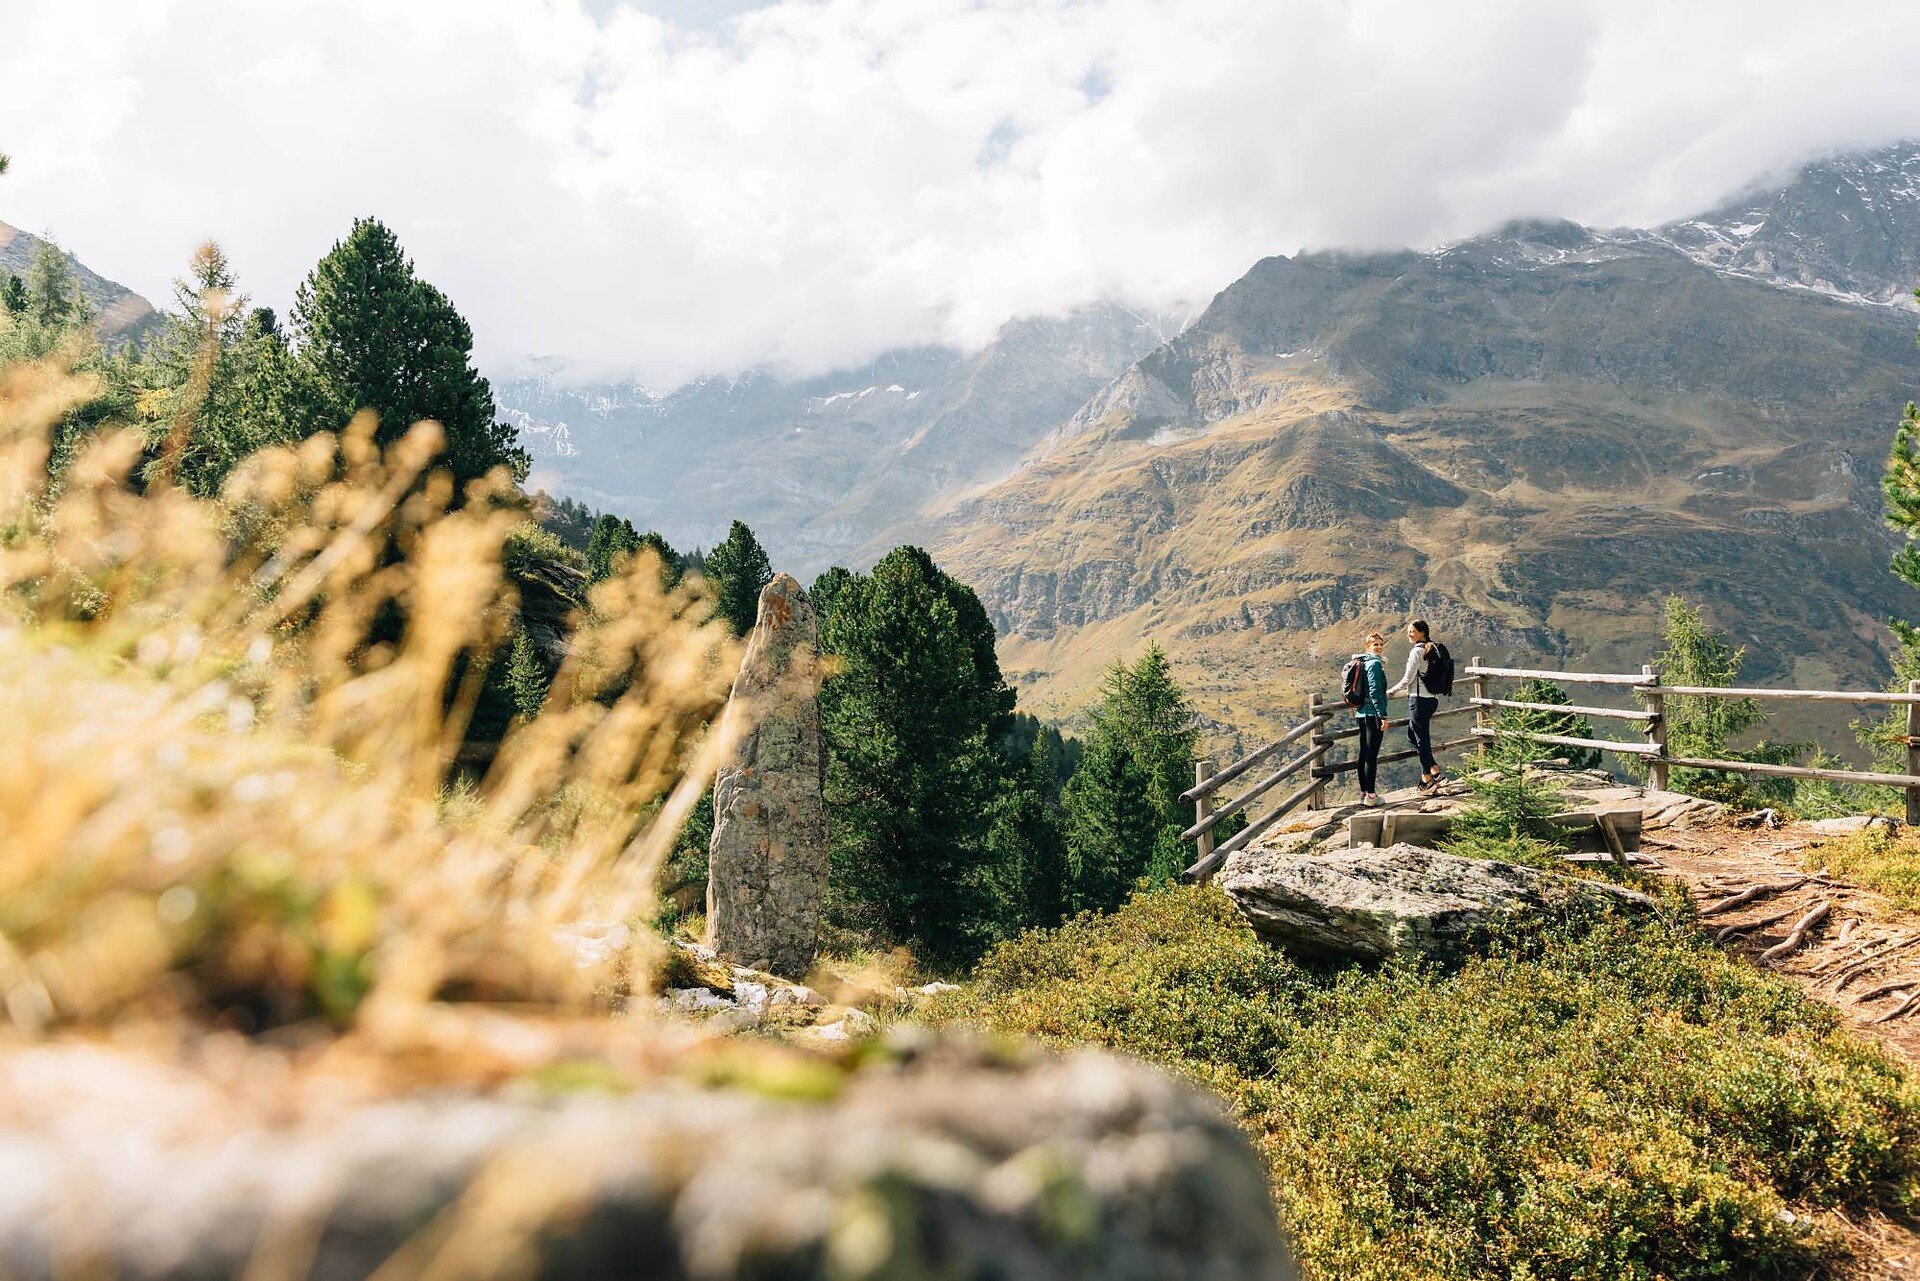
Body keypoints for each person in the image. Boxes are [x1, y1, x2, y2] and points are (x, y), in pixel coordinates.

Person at [1387, 618, 1441, 792]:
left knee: (1421, 740)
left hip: (1418, 700)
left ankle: (1427, 780)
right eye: (1408, 631)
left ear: (1422, 633)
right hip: (1432, 699)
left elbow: (1407, 679)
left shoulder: (1416, 652)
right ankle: (1435, 770)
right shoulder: (1434, 648)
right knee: (1413, 736)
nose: (1409, 634)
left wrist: (1391, 691)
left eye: (1412, 631)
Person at [1351, 631, 1390, 806]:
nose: (1379, 647)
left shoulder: (1363, 661)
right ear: (1367, 647)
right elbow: (1375, 691)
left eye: (1381, 644)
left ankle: (1364, 793)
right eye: (1375, 644)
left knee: (1364, 753)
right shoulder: (1374, 663)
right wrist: (1383, 715)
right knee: (1371, 755)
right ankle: (1371, 797)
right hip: (1372, 713)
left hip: (1361, 712)